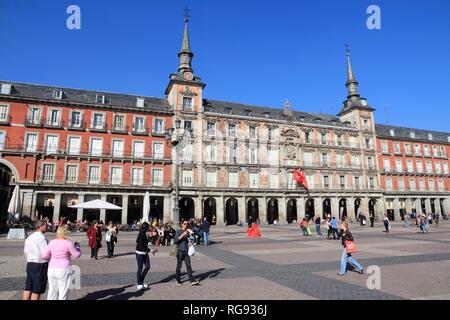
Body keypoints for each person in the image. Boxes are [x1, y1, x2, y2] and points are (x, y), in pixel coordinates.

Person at [41, 225, 81, 300]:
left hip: (52, 268)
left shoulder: (52, 242)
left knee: (52, 290)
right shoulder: (68, 243)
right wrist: (77, 247)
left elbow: (45, 256)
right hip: (63, 268)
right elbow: (77, 255)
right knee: (63, 291)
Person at [23, 220, 49, 301]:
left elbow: (25, 251)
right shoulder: (41, 237)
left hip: (30, 263)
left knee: (28, 287)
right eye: (46, 226)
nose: (47, 227)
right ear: (42, 226)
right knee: (37, 289)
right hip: (40, 264)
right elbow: (45, 253)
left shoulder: (29, 237)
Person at [175, 220, 200, 286]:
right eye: (185, 224)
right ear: (182, 224)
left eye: (187, 224)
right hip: (180, 251)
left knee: (188, 266)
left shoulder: (188, 231)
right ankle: (178, 280)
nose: (186, 225)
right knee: (179, 266)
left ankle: (191, 280)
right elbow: (176, 241)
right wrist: (183, 234)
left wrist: (190, 241)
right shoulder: (178, 231)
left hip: (186, 251)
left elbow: (192, 238)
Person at [135, 222, 151, 290]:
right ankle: (139, 283)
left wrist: (148, 238)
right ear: (145, 228)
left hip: (145, 253)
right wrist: (150, 250)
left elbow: (137, 241)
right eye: (148, 227)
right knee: (140, 268)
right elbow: (140, 246)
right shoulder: (141, 233)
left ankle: (141, 281)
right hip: (139, 253)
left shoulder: (144, 233)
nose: (148, 228)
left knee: (147, 266)